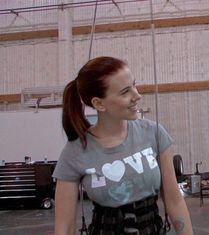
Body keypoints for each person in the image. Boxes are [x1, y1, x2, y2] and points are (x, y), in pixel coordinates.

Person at [53, 56, 193, 235]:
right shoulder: (75, 151)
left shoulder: (154, 133)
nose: (137, 95)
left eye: (134, 85)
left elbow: (174, 202)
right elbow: (64, 227)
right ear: (99, 103)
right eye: (125, 91)